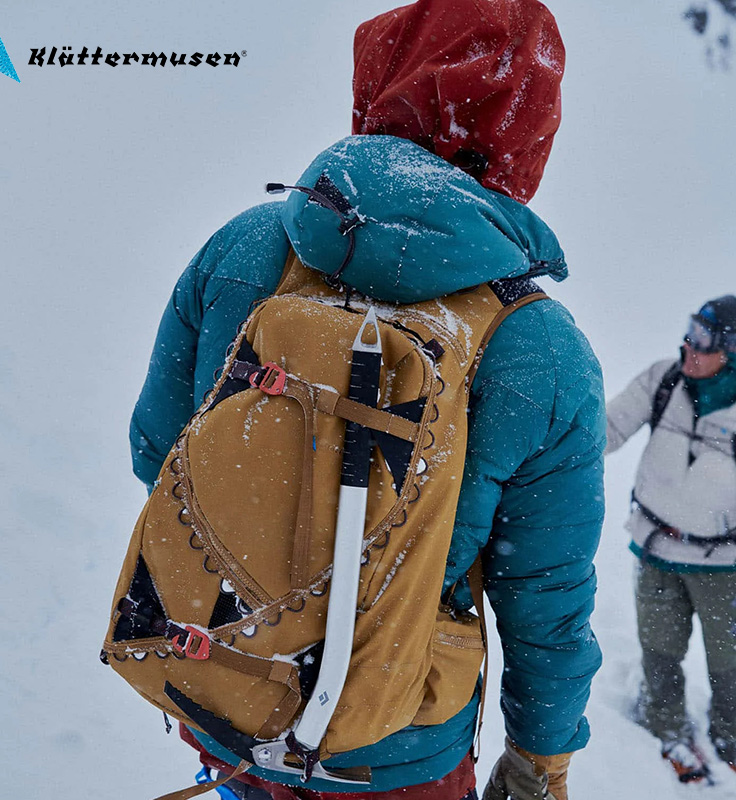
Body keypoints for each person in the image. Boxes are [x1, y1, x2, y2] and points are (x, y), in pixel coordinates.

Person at [130, 1, 604, 798]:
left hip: (226, 677)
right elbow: (544, 603)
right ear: (529, 131)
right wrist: (541, 760)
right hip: (397, 741)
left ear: (383, 79)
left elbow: (158, 449)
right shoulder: (540, 350)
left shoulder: (250, 247)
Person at [605, 295, 736, 783]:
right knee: (658, 649)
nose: (690, 345)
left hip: (730, 567)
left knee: (734, 665)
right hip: (658, 550)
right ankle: (666, 731)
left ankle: (735, 741)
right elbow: (606, 429)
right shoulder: (665, 379)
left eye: (705, 338)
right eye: (691, 329)